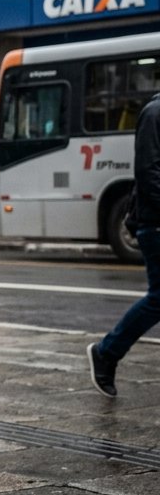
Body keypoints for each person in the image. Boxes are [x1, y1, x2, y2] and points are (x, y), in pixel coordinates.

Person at [88, 90, 160, 398]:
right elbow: (148, 172)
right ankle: (106, 352)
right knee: (159, 298)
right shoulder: (155, 113)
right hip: (156, 224)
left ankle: (107, 352)